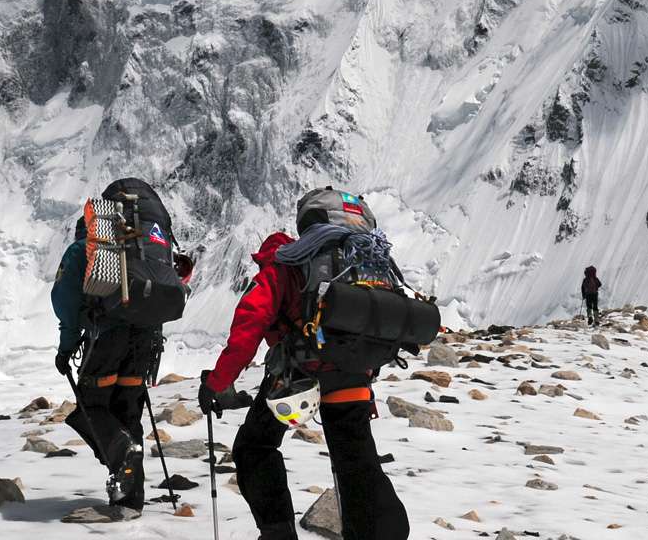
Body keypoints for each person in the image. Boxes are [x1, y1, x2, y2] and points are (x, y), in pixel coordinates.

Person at [198, 189, 411, 540]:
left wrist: (218, 383)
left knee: (256, 447)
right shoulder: (362, 261)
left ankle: (278, 533)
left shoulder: (286, 262)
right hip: (355, 376)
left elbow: (248, 326)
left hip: (299, 375)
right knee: (356, 461)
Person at [51, 182, 193, 520]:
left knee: (93, 405)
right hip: (145, 345)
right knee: (128, 414)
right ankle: (130, 501)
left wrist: (66, 348)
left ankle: (121, 455)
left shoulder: (87, 250)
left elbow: (66, 304)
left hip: (108, 339)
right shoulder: (152, 252)